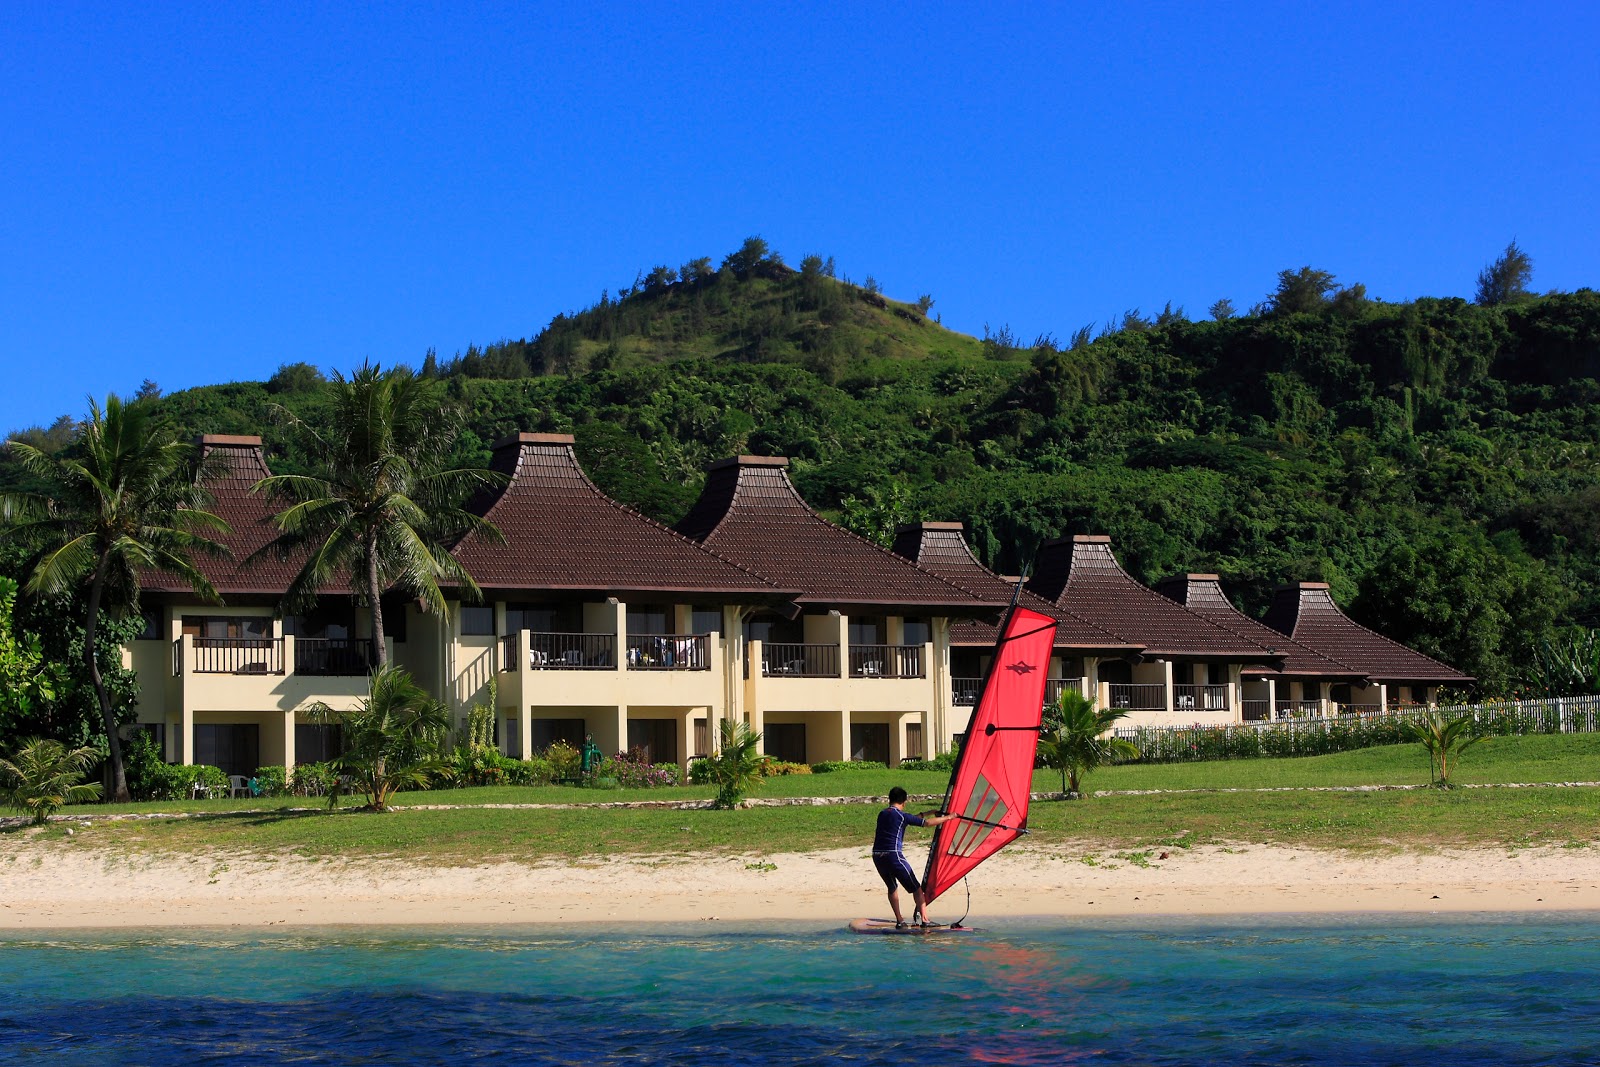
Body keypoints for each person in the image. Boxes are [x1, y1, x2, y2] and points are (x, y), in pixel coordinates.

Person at [872, 786, 957, 928]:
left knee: (892, 887)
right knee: (917, 888)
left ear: (890, 799)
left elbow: (909, 819)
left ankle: (900, 920)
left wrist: (927, 812)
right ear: (904, 802)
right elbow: (927, 823)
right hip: (894, 856)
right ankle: (925, 920)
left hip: (877, 856)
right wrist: (949, 817)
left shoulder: (883, 814)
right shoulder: (901, 816)